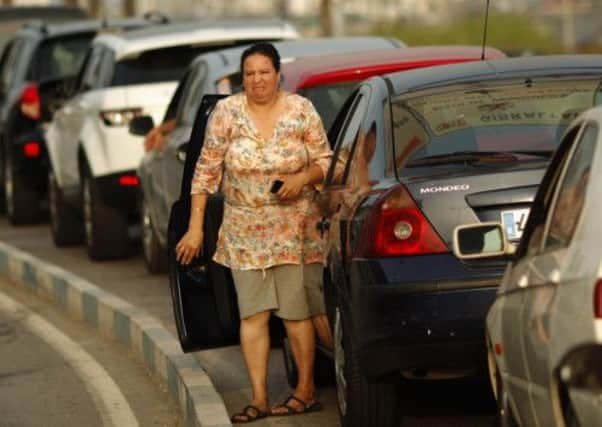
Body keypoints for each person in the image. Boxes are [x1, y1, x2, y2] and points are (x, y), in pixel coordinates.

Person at [175, 42, 332, 424]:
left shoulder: (300, 110)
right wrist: (195, 228)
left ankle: (305, 390)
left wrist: (300, 178)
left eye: (264, 72)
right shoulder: (227, 114)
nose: (257, 80)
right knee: (253, 315)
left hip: (295, 228)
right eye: (249, 74)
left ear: (278, 74)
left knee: (296, 315)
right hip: (244, 232)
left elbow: (326, 161)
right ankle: (259, 398)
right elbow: (205, 172)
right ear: (241, 78)